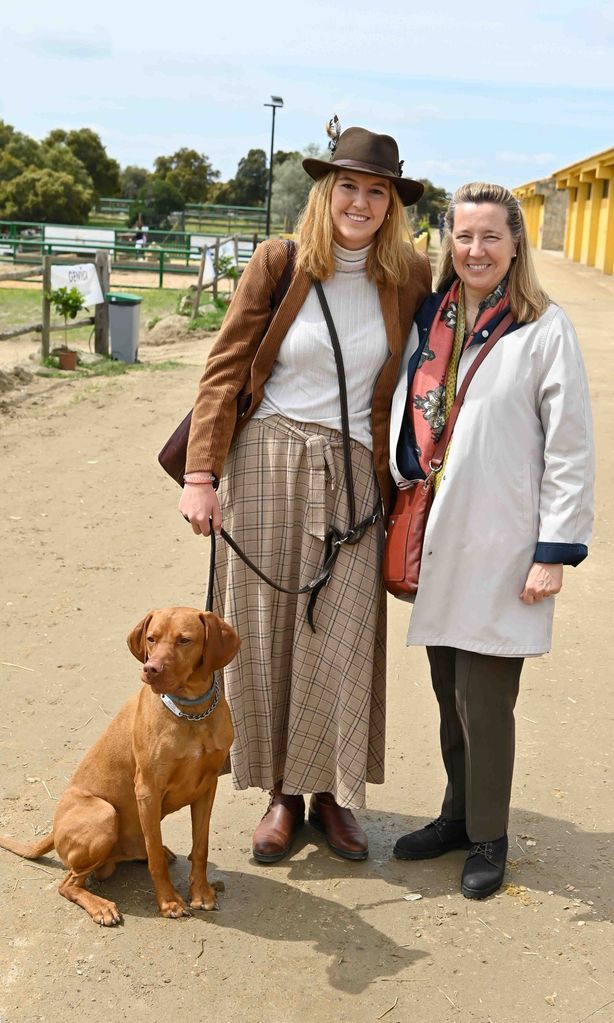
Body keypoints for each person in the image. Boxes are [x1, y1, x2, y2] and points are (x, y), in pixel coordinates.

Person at [179, 121, 431, 863]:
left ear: (392, 204)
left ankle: (334, 793)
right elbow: (225, 367)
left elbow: (447, 346)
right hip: (265, 460)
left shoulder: (411, 273)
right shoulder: (280, 262)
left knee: (345, 632)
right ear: (327, 191)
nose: (359, 201)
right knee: (263, 631)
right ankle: (281, 794)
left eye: (375, 191)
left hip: (356, 470)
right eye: (347, 186)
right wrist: (201, 474)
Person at [389, 181, 594, 898]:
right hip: (443, 536)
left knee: (486, 698)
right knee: (448, 690)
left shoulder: (544, 328)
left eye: (490, 237)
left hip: (506, 544)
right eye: (464, 236)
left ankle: (489, 836)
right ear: (450, 241)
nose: (475, 249)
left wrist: (553, 552)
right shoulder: (433, 319)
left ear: (515, 246)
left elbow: (570, 448)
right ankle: (454, 814)